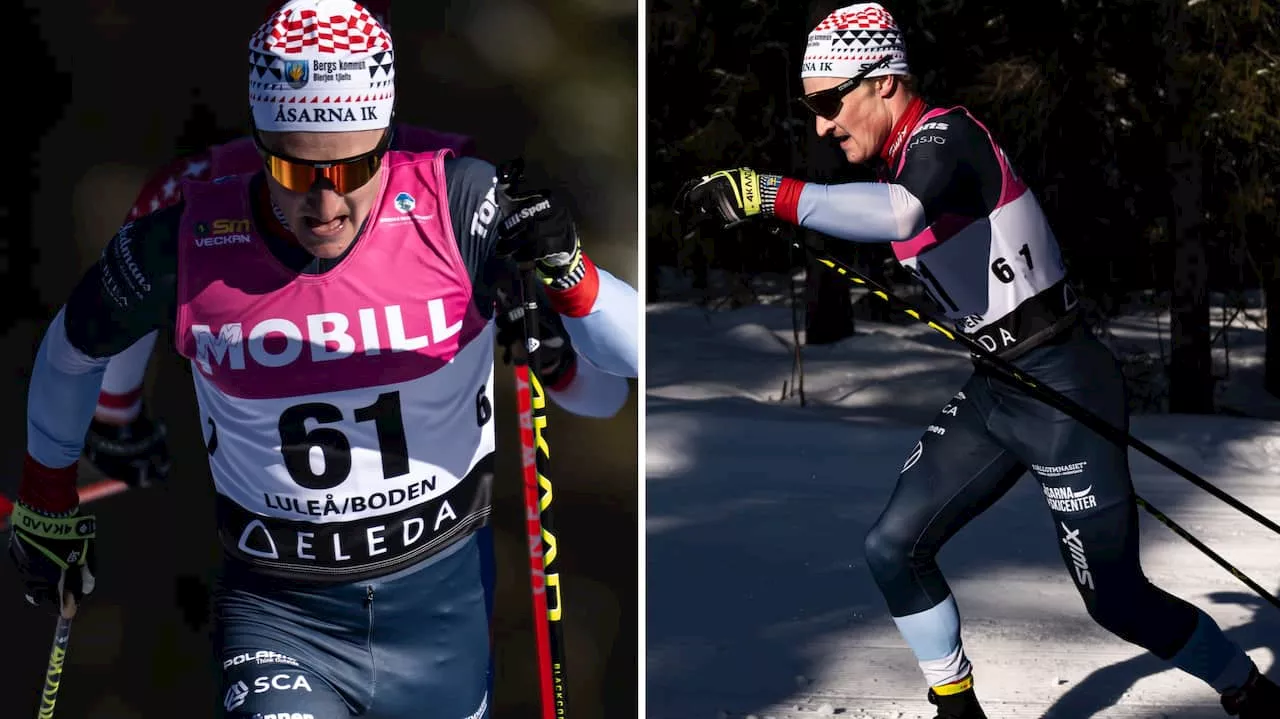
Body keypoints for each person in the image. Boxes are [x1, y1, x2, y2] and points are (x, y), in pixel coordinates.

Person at [8, 1, 638, 717]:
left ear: (389, 139)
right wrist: (52, 488)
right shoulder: (190, 226)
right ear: (260, 140)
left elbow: (621, 374)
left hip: (440, 614)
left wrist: (570, 270)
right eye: (294, 168)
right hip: (281, 614)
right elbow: (74, 349)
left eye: (354, 165)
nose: (326, 202)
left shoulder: (460, 200)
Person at [673, 3, 1278, 718]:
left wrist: (767, 193)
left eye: (830, 103)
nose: (822, 126)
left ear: (886, 83)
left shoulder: (945, 137)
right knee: (892, 548)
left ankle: (1249, 689)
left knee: (1116, 600)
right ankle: (957, 709)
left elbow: (899, 215)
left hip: (1064, 390)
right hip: (999, 391)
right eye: (812, 109)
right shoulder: (900, 159)